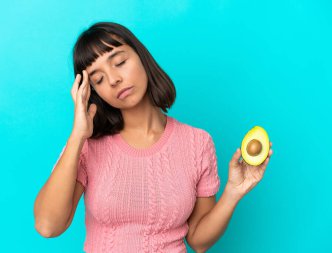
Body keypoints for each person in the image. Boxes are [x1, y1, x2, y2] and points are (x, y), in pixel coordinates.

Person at [33, 22, 273, 252]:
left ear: (141, 57)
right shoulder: (86, 146)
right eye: (99, 79)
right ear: (92, 92)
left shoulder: (197, 143)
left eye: (120, 62)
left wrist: (233, 192)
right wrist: (77, 137)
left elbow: (199, 241)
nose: (114, 79)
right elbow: (48, 226)